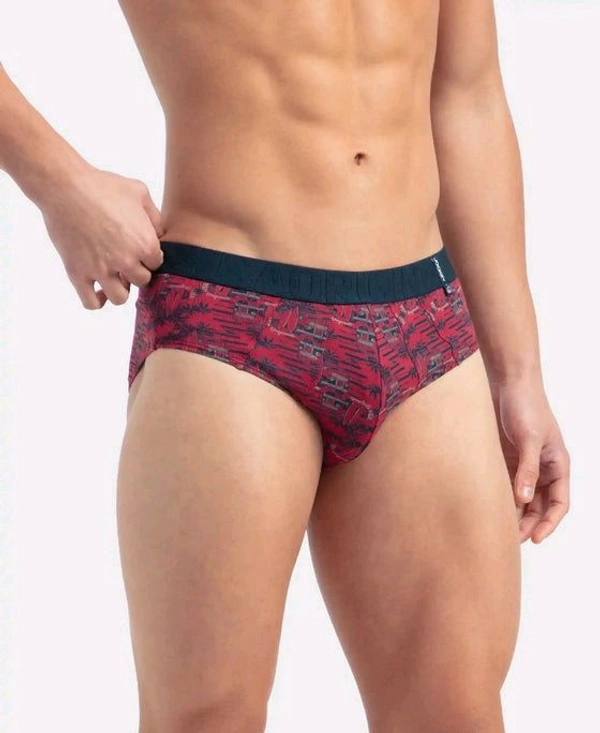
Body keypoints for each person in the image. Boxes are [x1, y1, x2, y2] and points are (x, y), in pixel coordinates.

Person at [0, 1, 571, 731]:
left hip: (425, 327)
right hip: (231, 315)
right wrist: (58, 184)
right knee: (207, 718)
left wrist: (518, 371)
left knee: (455, 713)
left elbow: (466, 92)